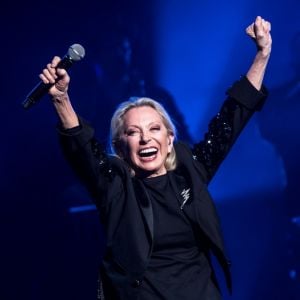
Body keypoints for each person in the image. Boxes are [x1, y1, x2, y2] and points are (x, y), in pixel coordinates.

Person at [39, 16, 272, 300]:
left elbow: (230, 120)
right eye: (133, 133)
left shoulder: (190, 169)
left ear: (170, 138)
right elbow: (83, 149)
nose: (146, 138)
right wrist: (61, 99)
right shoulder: (116, 186)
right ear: (119, 147)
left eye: (154, 129)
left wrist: (262, 55)